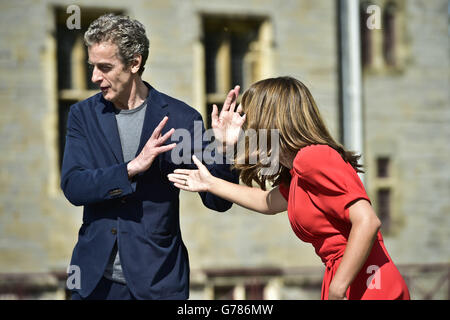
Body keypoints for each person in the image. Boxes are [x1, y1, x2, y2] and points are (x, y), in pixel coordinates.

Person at [168, 76, 411, 300]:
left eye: (249, 117)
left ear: (270, 119)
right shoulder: (299, 171)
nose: (245, 126)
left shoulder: (313, 158)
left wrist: (338, 288)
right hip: (348, 279)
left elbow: (368, 222)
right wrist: (210, 182)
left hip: (369, 284)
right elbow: (267, 202)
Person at [60, 13, 238, 300]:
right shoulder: (83, 115)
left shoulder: (180, 117)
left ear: (134, 63)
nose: (94, 77)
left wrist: (225, 149)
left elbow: (218, 201)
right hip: (94, 282)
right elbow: (74, 186)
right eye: (92, 66)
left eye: (104, 67)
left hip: (159, 283)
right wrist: (131, 167)